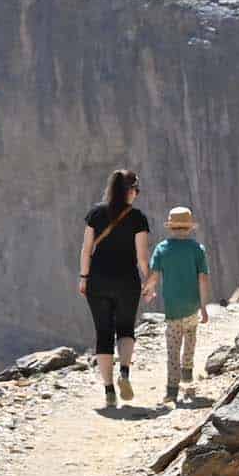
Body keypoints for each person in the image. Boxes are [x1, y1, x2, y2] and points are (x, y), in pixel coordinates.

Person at [78, 168, 151, 405]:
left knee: (103, 333)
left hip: (97, 281)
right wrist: (149, 280)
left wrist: (83, 277)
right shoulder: (138, 218)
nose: (136, 195)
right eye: (136, 190)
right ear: (129, 191)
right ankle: (125, 373)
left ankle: (109, 390)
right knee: (126, 329)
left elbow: (86, 249)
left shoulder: (95, 214)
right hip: (126, 281)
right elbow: (142, 256)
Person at [144, 206, 211, 402]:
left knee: (172, 349)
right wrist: (204, 307)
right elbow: (203, 279)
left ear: (171, 227)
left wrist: (149, 291)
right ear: (189, 228)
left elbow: (154, 277)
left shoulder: (162, 249)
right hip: (192, 308)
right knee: (190, 339)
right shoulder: (197, 249)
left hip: (173, 310)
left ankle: (172, 391)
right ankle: (188, 374)